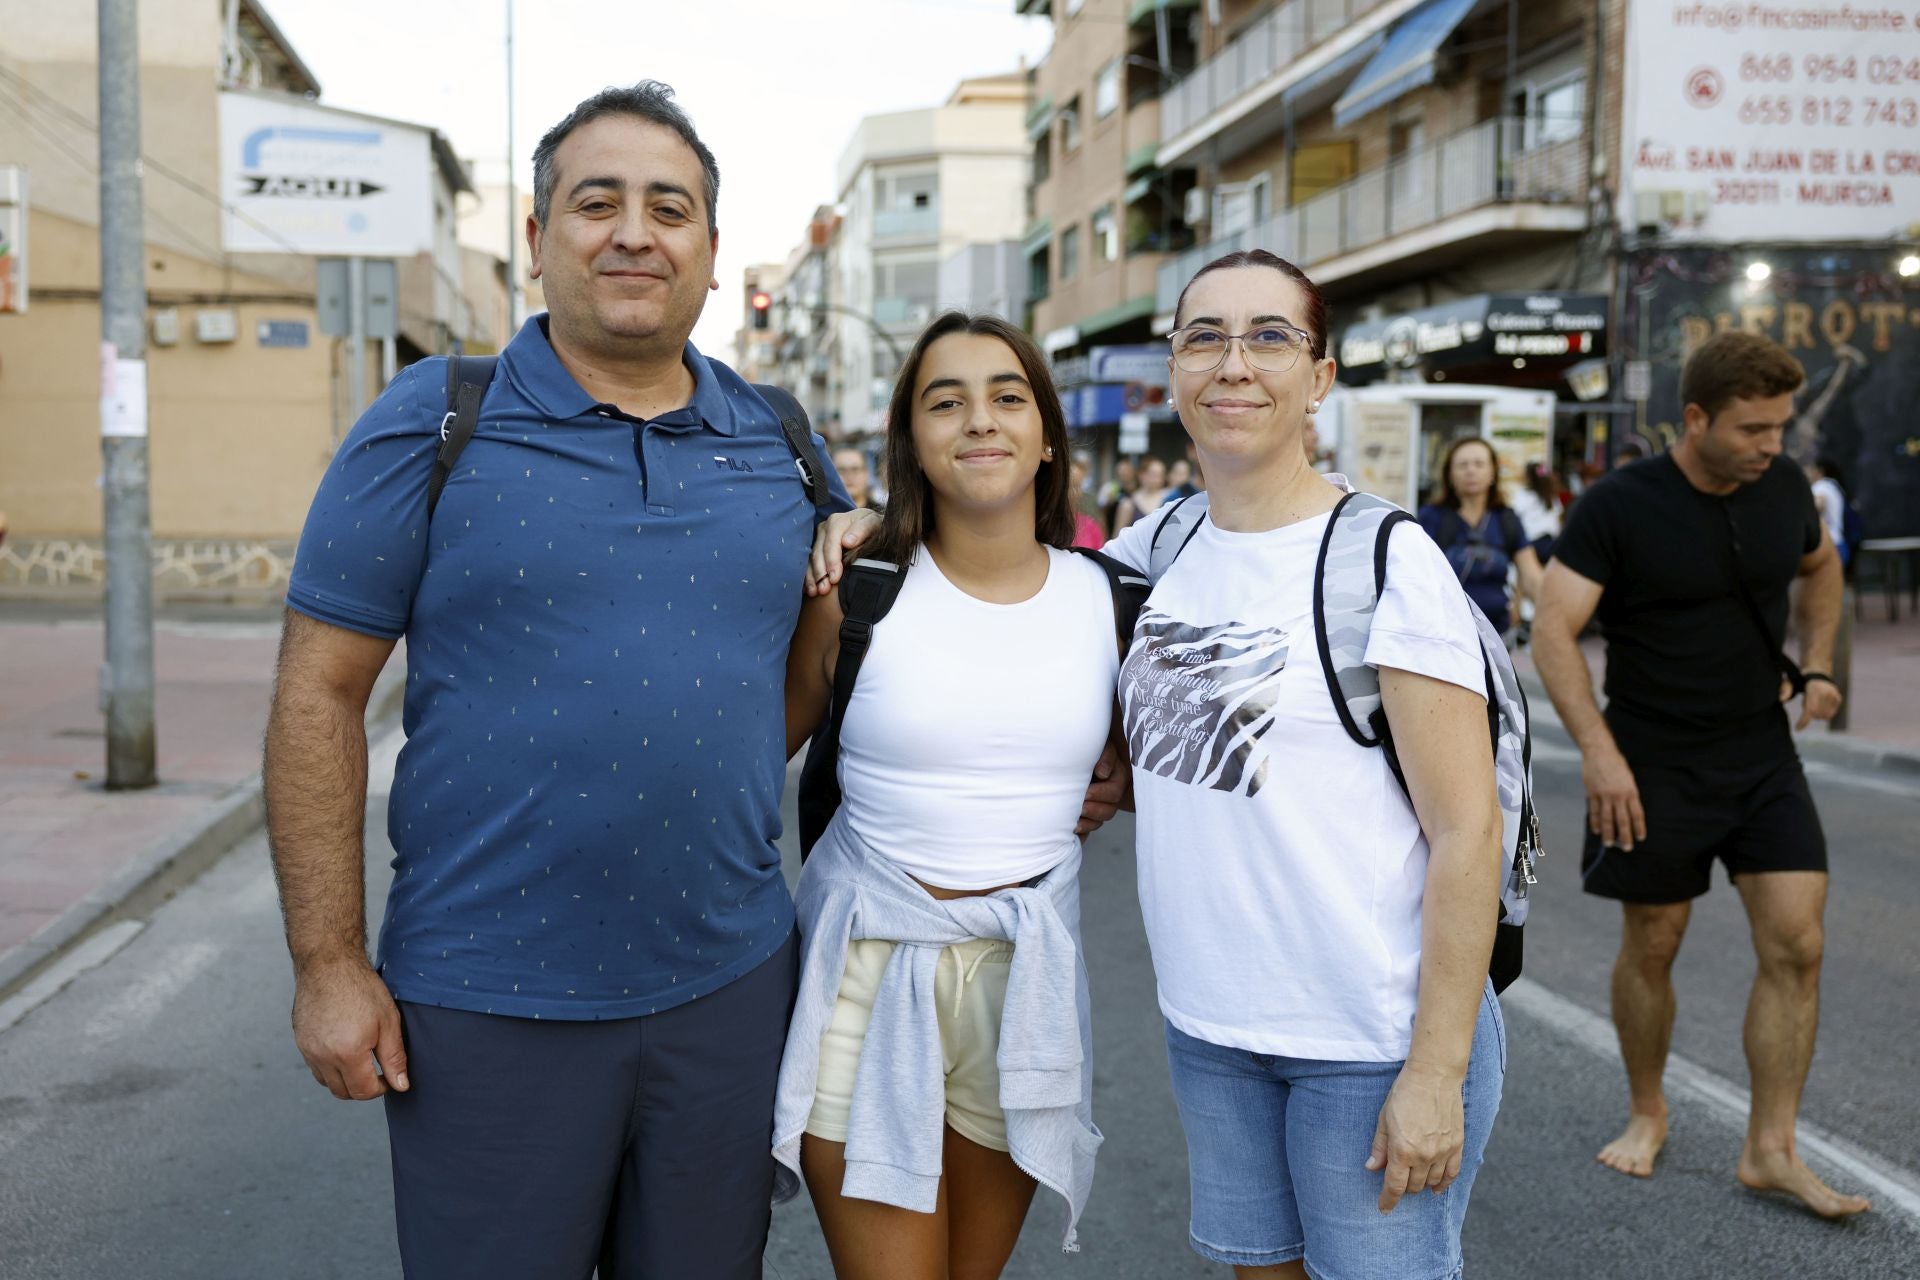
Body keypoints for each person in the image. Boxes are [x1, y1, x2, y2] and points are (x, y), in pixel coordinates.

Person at [805, 253, 1507, 1278]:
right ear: (1174, 371)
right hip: (1216, 1030)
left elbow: (1468, 829)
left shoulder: (1385, 560)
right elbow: (1018, 614)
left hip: (1367, 1033)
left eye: (1271, 336)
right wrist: (869, 524)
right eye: (1204, 338)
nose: (1235, 363)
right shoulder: (1155, 554)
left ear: (1320, 377)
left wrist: (1437, 1068)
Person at [261, 82, 858, 1279]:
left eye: (669, 207)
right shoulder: (433, 423)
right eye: (598, 202)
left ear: (708, 250)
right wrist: (329, 965)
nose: (635, 231)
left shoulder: (784, 439)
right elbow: (318, 696)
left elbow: (797, 685)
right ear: (538, 241)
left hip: (729, 998)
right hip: (482, 1008)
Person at [774, 313, 1118, 1276]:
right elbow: (751, 755)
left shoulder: (1114, 600)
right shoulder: (855, 590)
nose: (980, 420)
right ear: (912, 441)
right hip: (865, 973)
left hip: (1025, 984)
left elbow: (1170, 762)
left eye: (1009, 396)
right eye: (946, 400)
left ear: (1046, 435)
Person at [1531, 330, 1867, 1218]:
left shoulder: (1784, 487)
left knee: (1799, 943)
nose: (1772, 446)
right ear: (1695, 418)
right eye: (1753, 429)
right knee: (1654, 941)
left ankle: (1771, 1148)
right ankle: (1647, 1111)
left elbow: (1821, 565)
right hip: (1651, 756)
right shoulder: (1619, 505)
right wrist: (1601, 756)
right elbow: (1552, 629)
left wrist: (1821, 663)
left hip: (1759, 750)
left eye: (1780, 428)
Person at [1417, 437, 1543, 638]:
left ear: (1492, 472)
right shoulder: (1431, 517)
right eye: (1463, 465)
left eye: (1479, 464)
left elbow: (1532, 576)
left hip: (1498, 635)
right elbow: (1414, 574)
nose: (1471, 470)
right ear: (1449, 474)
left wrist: (1537, 609)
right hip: (1444, 635)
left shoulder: (1506, 519)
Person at [1805, 456, 1851, 568]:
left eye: (1811, 469)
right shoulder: (1833, 487)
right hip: (1839, 543)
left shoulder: (1820, 487)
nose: (1808, 473)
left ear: (1819, 470)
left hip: (1826, 545)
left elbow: (1819, 505)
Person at [1112, 454, 1169, 532]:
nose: (1157, 479)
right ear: (1142, 475)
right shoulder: (1129, 503)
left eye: (1160, 475)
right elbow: (1118, 535)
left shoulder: (1169, 498)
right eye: (1153, 474)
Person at [1069, 450, 1105, 549]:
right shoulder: (1043, 524)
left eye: (1079, 486)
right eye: (1072, 486)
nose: (1078, 493)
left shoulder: (1090, 525)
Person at [834, 443, 877, 512]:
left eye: (855, 469)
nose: (849, 476)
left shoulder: (883, 515)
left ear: (866, 474)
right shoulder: (821, 517)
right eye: (841, 470)